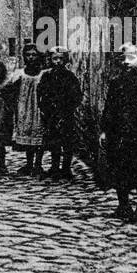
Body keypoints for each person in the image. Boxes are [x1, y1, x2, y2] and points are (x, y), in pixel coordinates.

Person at [99, 43, 137, 223]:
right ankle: (123, 205)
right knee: (119, 169)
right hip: (118, 133)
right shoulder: (116, 82)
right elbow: (109, 108)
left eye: (131, 58)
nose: (127, 62)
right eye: (124, 58)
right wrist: (105, 130)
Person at [38, 47, 82, 180]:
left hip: (66, 114)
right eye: (55, 59)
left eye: (60, 59)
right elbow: (41, 94)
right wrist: (45, 109)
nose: (58, 62)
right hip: (51, 115)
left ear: (65, 60)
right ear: (50, 60)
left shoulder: (70, 77)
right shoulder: (47, 76)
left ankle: (66, 169)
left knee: (67, 143)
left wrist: (68, 108)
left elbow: (77, 96)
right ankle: (55, 167)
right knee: (54, 142)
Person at [11, 43, 46, 177]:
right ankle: (29, 163)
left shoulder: (43, 74)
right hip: (24, 108)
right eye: (28, 55)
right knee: (27, 134)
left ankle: (38, 164)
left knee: (39, 134)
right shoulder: (20, 74)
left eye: (34, 55)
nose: (31, 58)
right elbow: (10, 91)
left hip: (38, 108)